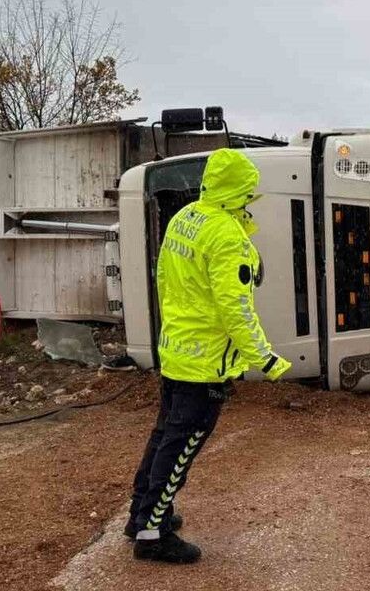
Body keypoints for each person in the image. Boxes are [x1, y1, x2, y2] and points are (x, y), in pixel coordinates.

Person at [127, 148, 292, 563]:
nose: (253, 199)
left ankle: (142, 515)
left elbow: (164, 278)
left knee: (165, 435)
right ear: (238, 190)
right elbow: (235, 309)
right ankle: (151, 533)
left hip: (178, 351)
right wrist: (266, 359)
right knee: (182, 445)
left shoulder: (185, 217)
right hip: (205, 364)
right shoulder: (226, 237)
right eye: (250, 192)